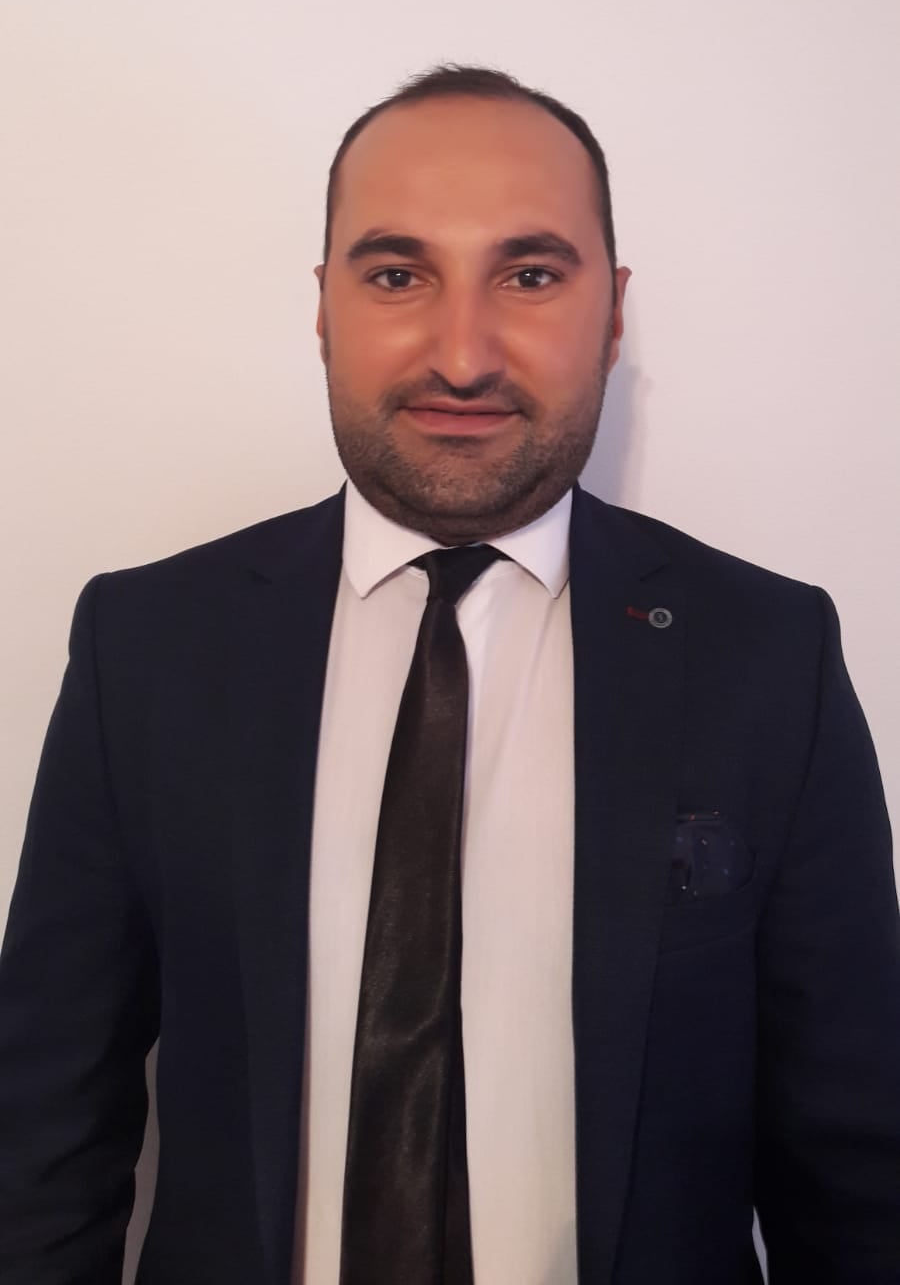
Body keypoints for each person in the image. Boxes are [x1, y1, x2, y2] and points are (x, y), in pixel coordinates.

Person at [0, 64, 898, 1285]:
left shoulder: (768, 655)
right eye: (396, 275)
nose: (463, 356)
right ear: (324, 307)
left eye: (529, 276)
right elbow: (45, 1134)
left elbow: (857, 1176)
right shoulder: (147, 645)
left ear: (614, 313)